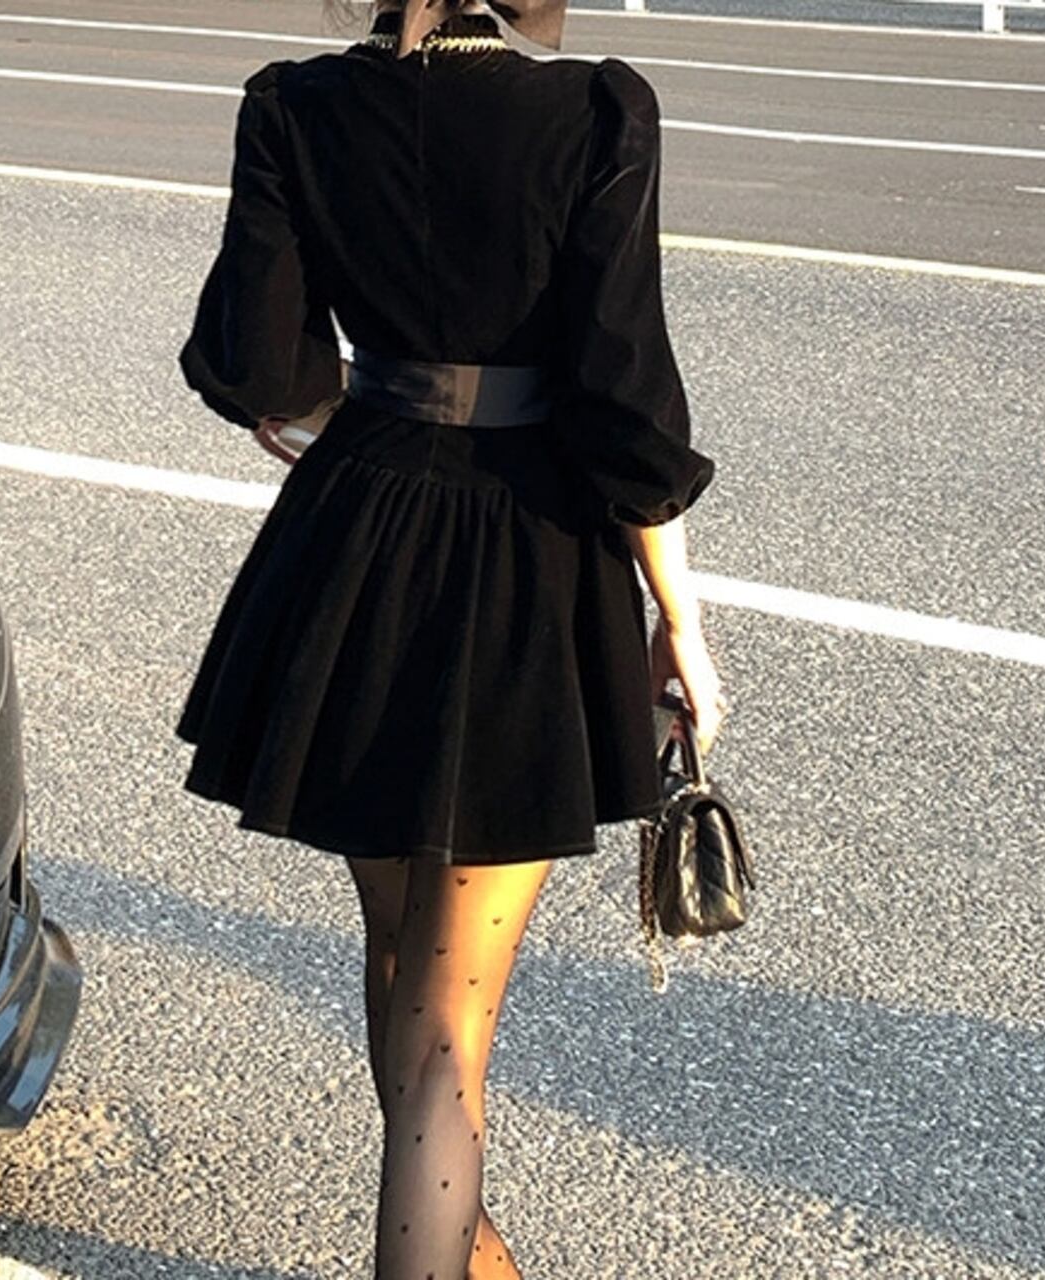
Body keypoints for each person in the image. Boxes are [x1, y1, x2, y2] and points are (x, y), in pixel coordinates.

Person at [174, 1, 724, 1276]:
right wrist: (679, 619)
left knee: (399, 953)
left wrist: (343, 407)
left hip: (354, 542)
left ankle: (470, 1251)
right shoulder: (591, 111)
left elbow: (258, 365)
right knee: (447, 1022)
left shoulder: (295, 105)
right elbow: (621, 398)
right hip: (527, 557)